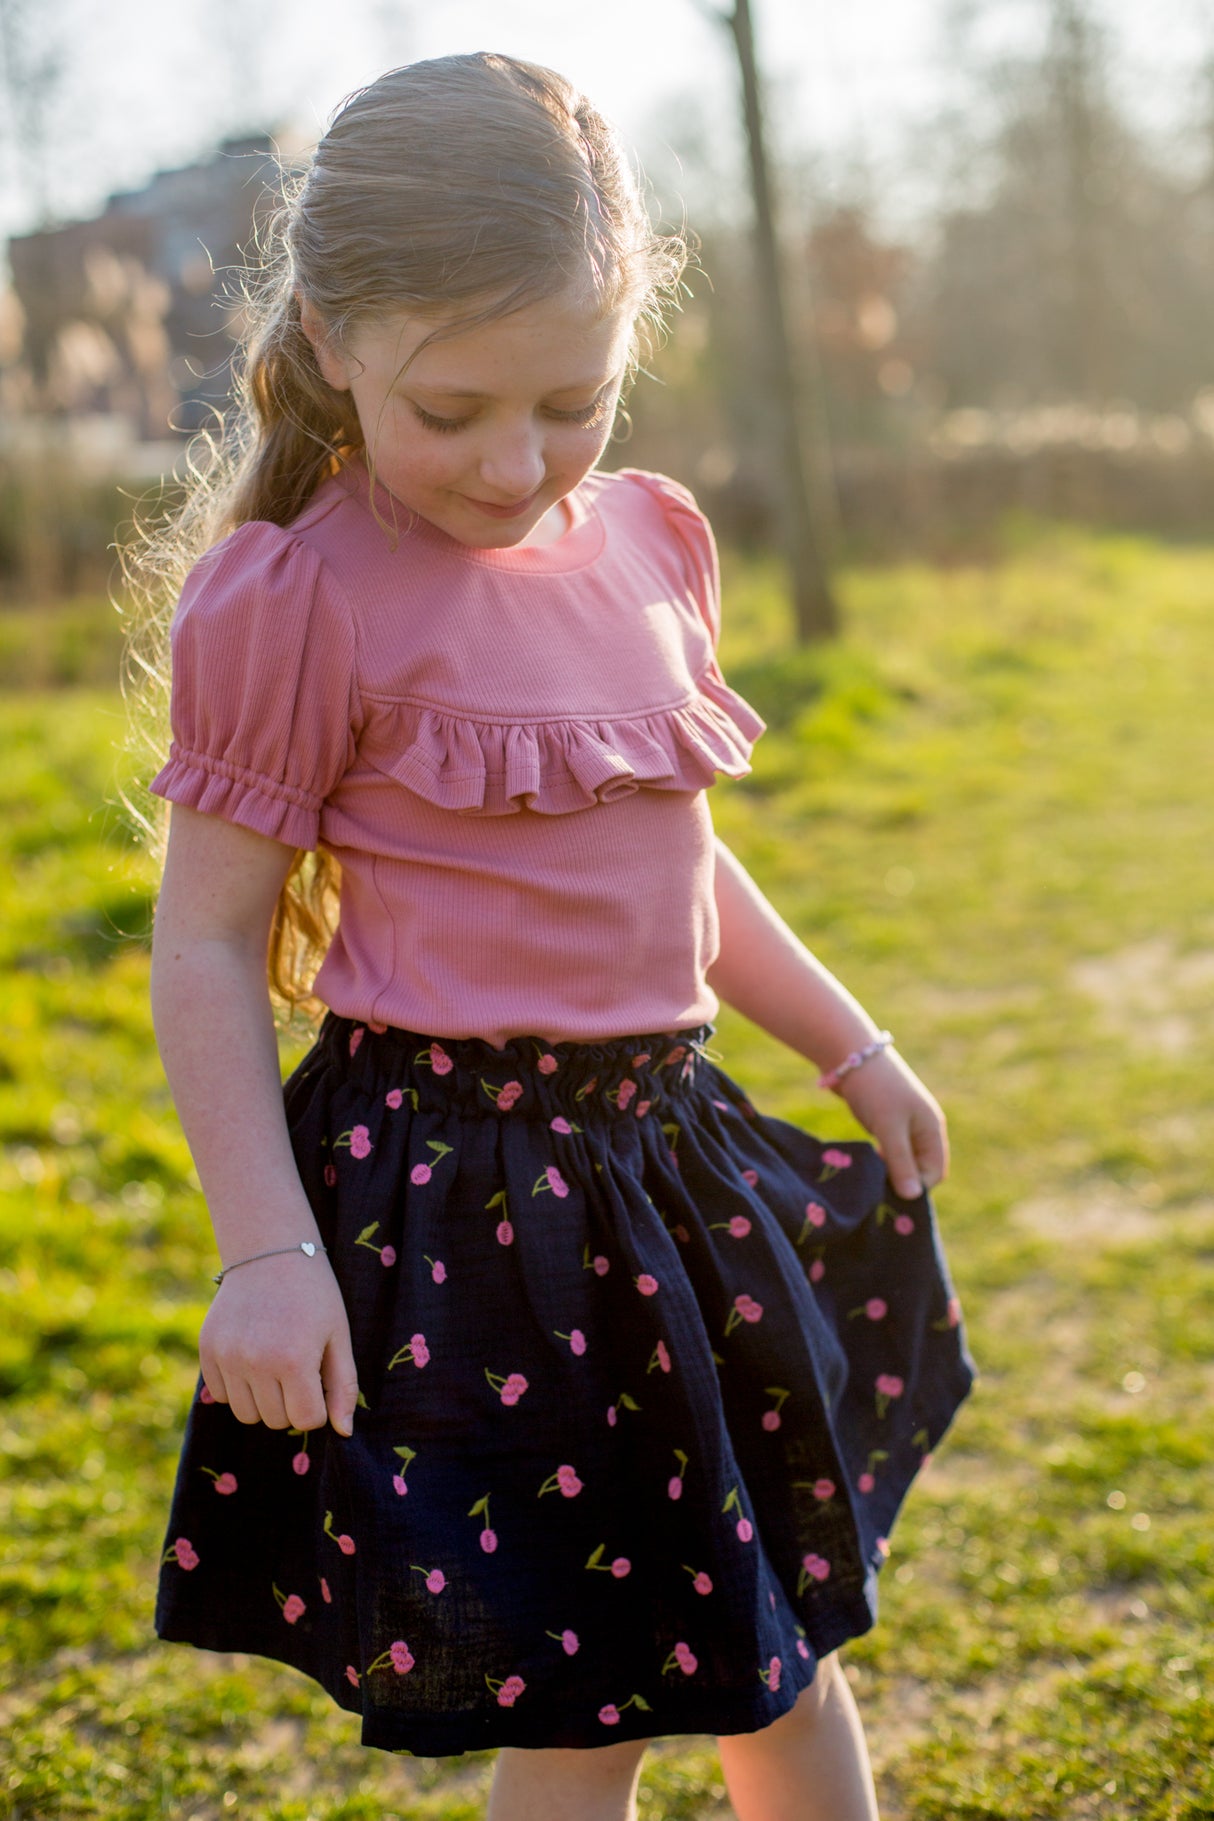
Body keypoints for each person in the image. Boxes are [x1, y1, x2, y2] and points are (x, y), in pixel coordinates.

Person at [143, 52, 974, 1821]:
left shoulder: (649, 542)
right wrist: (258, 1249)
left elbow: (678, 859)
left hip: (669, 1168)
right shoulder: (297, 594)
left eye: (570, 401)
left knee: (775, 1630)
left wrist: (850, 1042)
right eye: (451, 410)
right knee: (585, 1695)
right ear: (330, 339)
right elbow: (209, 941)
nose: (515, 463)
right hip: (472, 1212)